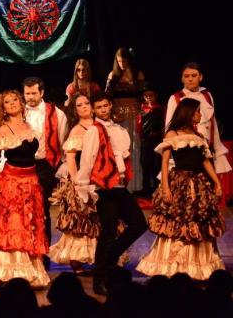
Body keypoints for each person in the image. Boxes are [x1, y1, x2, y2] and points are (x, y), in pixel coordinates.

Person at [136, 98, 225, 280]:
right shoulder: (172, 134)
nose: (200, 115)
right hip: (180, 182)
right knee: (177, 221)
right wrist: (166, 188)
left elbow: (205, 161)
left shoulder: (198, 136)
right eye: (198, 111)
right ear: (189, 113)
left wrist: (217, 182)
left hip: (198, 183)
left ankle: (197, 263)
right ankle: (175, 263)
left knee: (198, 220)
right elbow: (164, 162)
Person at [0, 90, 49, 287]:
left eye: (15, 99)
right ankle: (12, 273)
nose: (13, 103)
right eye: (7, 102)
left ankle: (27, 270)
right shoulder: (4, 130)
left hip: (30, 183)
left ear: (21, 103)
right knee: (13, 227)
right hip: (12, 184)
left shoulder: (28, 126)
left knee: (28, 226)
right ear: (3, 109)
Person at [77, 92, 147, 295]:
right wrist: (85, 189)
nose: (103, 110)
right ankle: (100, 279)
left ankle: (108, 262)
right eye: (99, 107)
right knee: (107, 234)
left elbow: (123, 157)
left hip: (119, 187)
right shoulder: (93, 131)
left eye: (106, 106)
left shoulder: (119, 129)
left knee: (139, 224)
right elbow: (87, 161)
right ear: (94, 110)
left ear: (110, 106)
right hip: (104, 189)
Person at [49, 93, 98, 274]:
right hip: (81, 181)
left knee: (96, 220)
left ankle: (96, 256)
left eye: (87, 103)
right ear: (75, 110)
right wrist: (78, 183)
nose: (84, 106)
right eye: (80, 105)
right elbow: (70, 158)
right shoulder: (77, 130)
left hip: (98, 179)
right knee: (79, 221)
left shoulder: (99, 126)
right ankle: (76, 261)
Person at [23, 77, 67, 266]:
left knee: (41, 210)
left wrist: (60, 167)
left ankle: (42, 254)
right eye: (27, 93)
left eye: (34, 93)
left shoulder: (56, 113)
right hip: (21, 165)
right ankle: (24, 253)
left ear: (42, 93)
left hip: (44, 166)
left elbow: (63, 141)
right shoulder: (18, 112)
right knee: (23, 210)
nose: (30, 97)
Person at [165, 62, 231, 175]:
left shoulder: (207, 95)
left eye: (194, 75)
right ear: (182, 79)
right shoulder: (175, 98)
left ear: (200, 77)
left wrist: (216, 148)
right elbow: (169, 126)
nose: (190, 79)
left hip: (207, 150)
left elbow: (212, 124)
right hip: (187, 154)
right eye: (186, 76)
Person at [106, 47, 146, 192]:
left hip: (134, 115)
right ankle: (119, 183)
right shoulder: (113, 75)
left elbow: (142, 98)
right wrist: (111, 115)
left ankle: (134, 186)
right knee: (119, 147)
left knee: (134, 148)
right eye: (119, 60)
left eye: (125, 60)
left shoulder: (137, 75)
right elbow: (107, 97)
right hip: (118, 116)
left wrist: (141, 114)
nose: (122, 63)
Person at [137, 88, 165, 197]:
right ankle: (146, 189)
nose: (148, 97)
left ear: (156, 95)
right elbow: (139, 125)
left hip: (157, 141)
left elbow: (163, 124)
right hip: (145, 141)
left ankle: (158, 189)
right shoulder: (142, 109)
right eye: (146, 95)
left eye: (151, 95)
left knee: (157, 165)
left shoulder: (160, 109)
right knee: (145, 165)